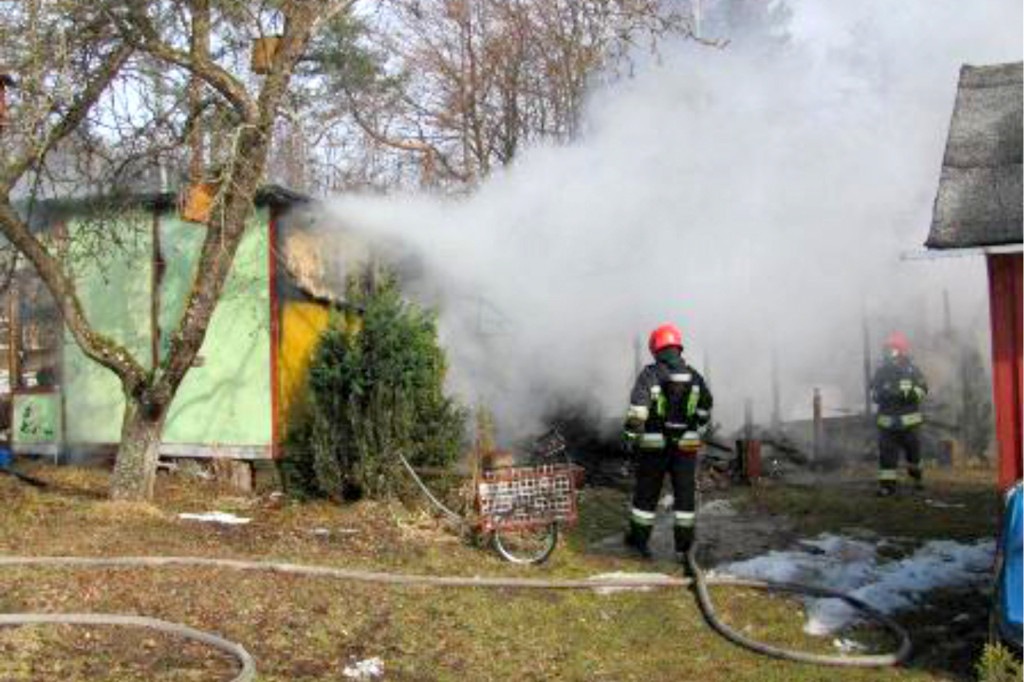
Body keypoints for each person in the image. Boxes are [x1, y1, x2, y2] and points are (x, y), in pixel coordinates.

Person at [622, 323, 713, 562]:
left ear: (656, 349)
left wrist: (630, 439)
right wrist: (697, 429)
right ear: (678, 348)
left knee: (646, 497)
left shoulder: (650, 374)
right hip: (686, 448)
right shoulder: (695, 377)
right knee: (685, 499)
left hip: (654, 448)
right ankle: (684, 548)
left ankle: (639, 542)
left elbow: (637, 413)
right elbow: (705, 409)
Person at [870, 331, 928, 497]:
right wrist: (883, 394)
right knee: (887, 459)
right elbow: (873, 393)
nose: (888, 352)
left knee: (913, 457)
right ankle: (887, 487)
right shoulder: (881, 371)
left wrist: (910, 394)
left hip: (910, 426)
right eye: (887, 349)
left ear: (901, 350)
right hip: (887, 426)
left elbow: (923, 389)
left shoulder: (912, 371)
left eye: (892, 349)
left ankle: (917, 480)